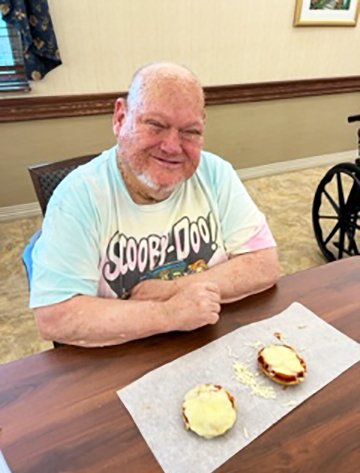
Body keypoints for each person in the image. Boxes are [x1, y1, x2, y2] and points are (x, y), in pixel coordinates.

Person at [30, 62, 280, 347]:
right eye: (156, 125)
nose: (173, 147)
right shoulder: (77, 196)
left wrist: (171, 291)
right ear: (120, 118)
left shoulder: (215, 173)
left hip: (213, 341)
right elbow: (55, 316)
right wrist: (168, 313)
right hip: (120, 361)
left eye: (190, 131)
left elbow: (264, 264)